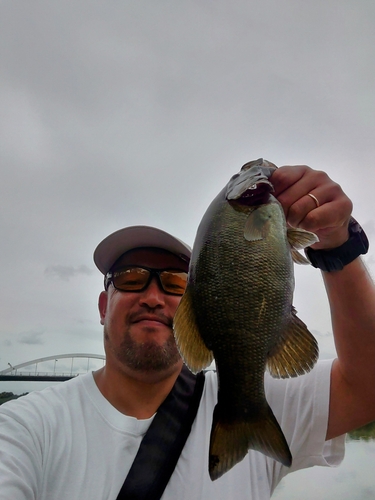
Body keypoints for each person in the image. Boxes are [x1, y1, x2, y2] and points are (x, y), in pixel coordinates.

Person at [0, 164, 375, 500]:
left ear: (198, 303)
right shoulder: (25, 429)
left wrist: (337, 247)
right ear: (102, 306)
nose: (152, 296)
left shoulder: (264, 402)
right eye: (130, 278)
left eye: (176, 282)